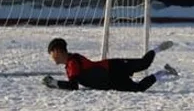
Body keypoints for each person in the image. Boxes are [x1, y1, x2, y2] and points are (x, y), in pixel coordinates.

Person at [42, 38, 178, 92]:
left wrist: (55, 83)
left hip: (113, 67)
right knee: (138, 88)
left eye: (51, 53)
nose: (51, 56)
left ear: (58, 51)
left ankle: (157, 49)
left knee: (143, 64)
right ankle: (164, 72)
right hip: (111, 81)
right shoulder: (71, 63)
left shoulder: (73, 63)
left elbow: (73, 86)